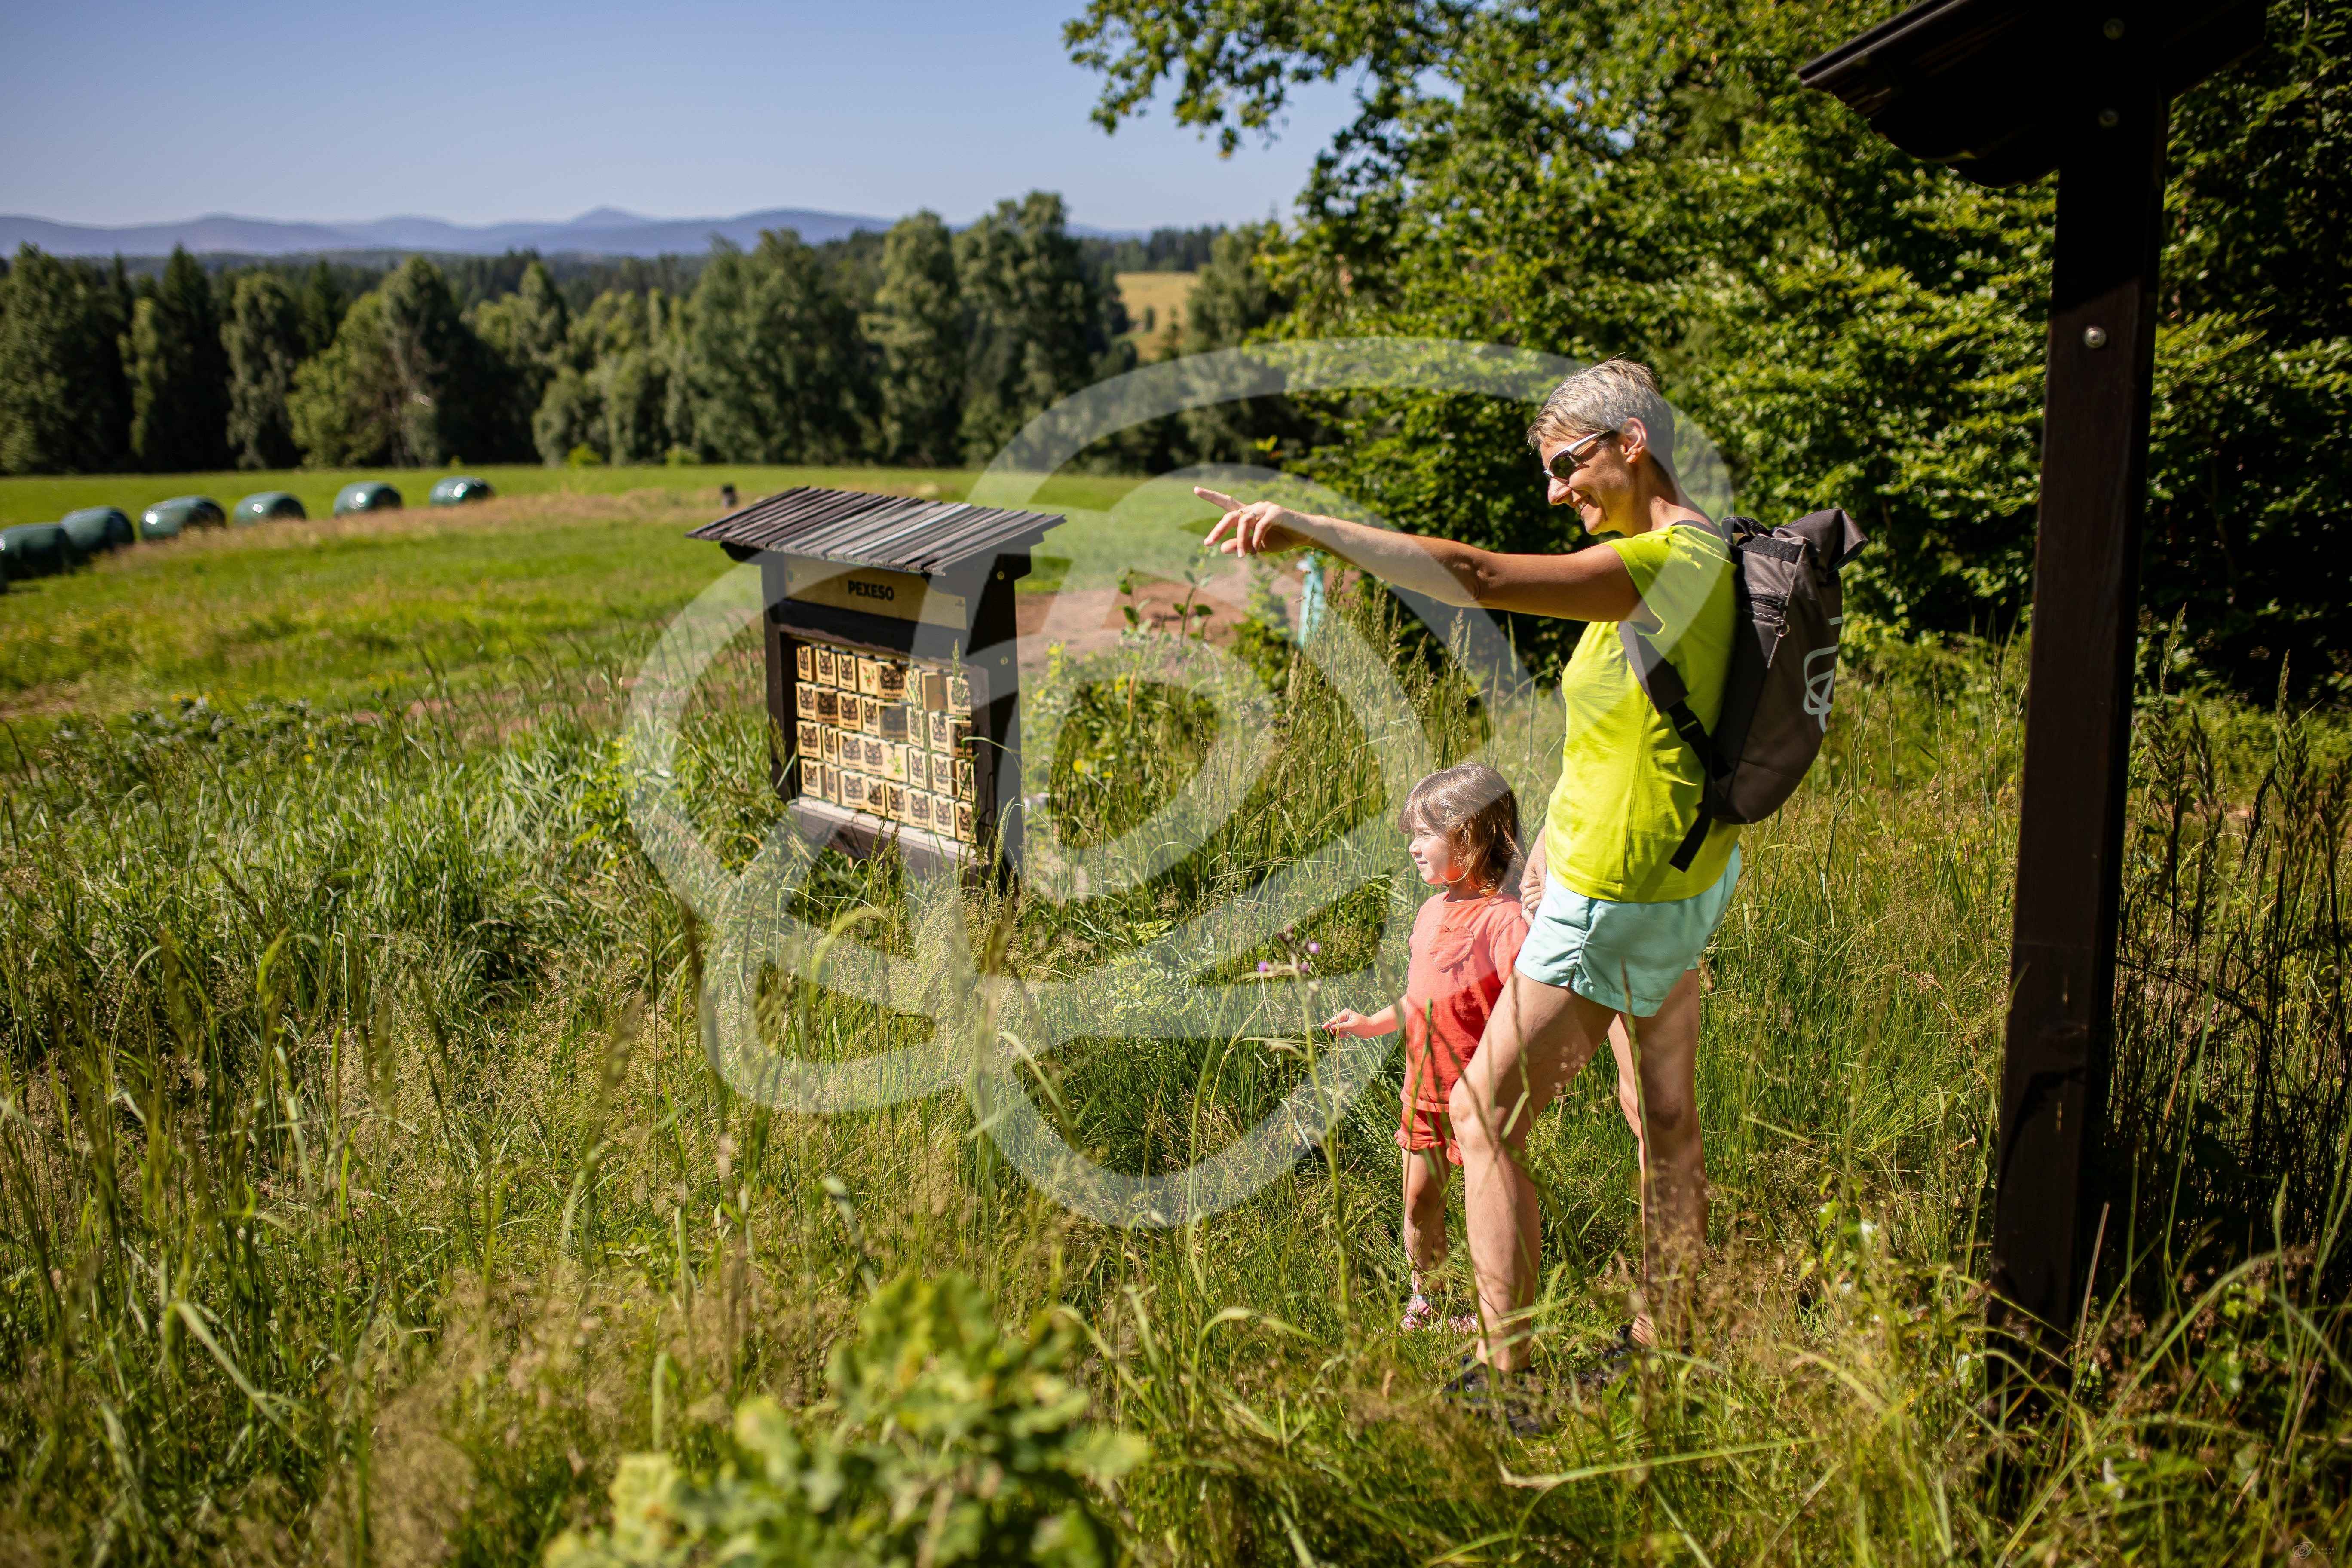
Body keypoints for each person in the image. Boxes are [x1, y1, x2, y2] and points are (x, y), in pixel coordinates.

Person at [1198, 358, 1740, 1392]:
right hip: (1675, 877)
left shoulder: (1665, 559)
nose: (1555, 491)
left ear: (1633, 442)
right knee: (1662, 1116)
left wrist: (1314, 528)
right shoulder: (1706, 549)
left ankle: (1507, 1375)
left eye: (1567, 464)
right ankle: (1667, 1341)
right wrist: (1542, 848)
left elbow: (1483, 577)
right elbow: (1640, 728)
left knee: (1480, 1116)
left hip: (1618, 895)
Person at [1321, 763, 1528, 1334]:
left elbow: (1530, 1008)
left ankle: (1496, 1313)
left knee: (1485, 1206)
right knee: (1418, 1204)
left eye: (1424, 835)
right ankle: (1428, 1300)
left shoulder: (1504, 921)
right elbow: (1423, 1000)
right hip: (1424, 1090)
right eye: (1411, 834)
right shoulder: (1429, 912)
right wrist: (1370, 1024)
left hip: (1482, 1098)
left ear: (1473, 834)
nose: (1412, 848)